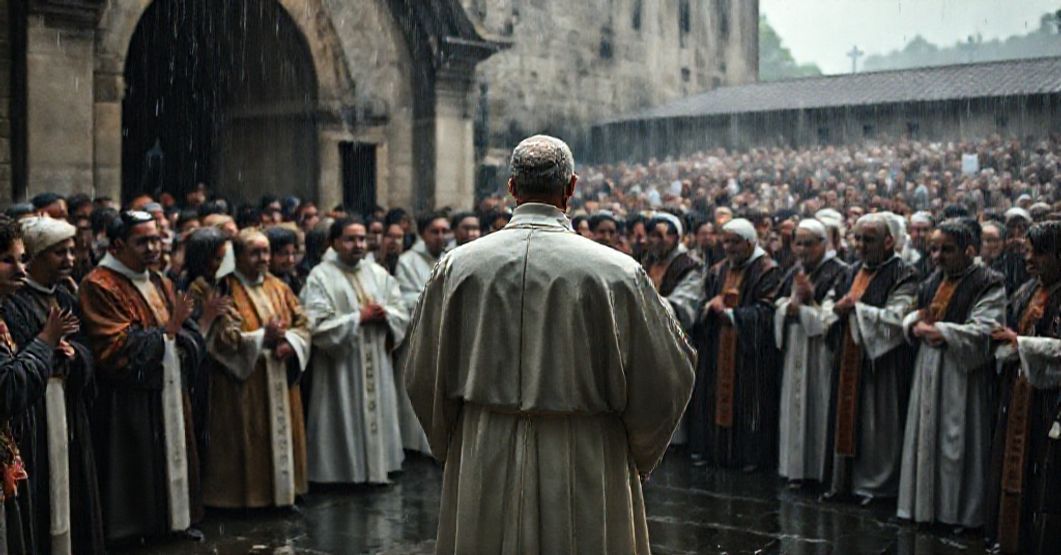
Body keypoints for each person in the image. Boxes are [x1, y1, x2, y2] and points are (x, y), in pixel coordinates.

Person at [403, 135, 694, 554]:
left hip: (486, 444)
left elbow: (423, 369)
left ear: (512, 188)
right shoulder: (616, 272)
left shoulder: (457, 266)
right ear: (571, 187)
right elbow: (665, 375)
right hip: (587, 449)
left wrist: (450, 438)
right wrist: (640, 447)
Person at [79, 211, 205, 543]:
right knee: (137, 463)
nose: (153, 247)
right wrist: (167, 333)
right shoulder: (99, 284)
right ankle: (137, 528)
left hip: (169, 384)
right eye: (142, 241)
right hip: (129, 397)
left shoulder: (158, 279)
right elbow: (114, 347)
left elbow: (187, 331)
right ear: (118, 245)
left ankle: (176, 519)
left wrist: (181, 336)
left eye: (156, 239)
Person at [2, 217, 105, 554]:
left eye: (72, 251)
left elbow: (89, 350)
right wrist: (47, 344)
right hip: (34, 416)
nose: (70, 260)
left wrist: (73, 357)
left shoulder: (63, 296)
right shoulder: (15, 302)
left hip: (66, 411)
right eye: (59, 252)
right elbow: (12, 378)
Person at [897, 219, 1005, 530]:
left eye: (947, 250)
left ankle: (958, 514)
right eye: (933, 249)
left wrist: (941, 331)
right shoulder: (934, 280)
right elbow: (918, 311)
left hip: (961, 375)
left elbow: (987, 327)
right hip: (929, 369)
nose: (937, 256)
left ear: (969, 250)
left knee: (958, 443)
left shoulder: (988, 281)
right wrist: (914, 324)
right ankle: (925, 509)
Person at [202, 229, 310, 508]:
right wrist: (263, 337)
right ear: (237, 257)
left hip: (280, 373)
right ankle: (249, 500)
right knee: (249, 440)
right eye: (255, 252)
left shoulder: (279, 286)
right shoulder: (223, 287)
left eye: (265, 252)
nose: (263, 258)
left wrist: (291, 343)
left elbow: (303, 322)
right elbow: (222, 339)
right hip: (245, 384)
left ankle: (284, 494)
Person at [301, 217, 409, 484]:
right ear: (334, 242)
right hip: (341, 366)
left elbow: (401, 311)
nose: (358, 245)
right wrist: (357, 318)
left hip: (375, 358)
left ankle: (377, 468)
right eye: (350, 239)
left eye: (361, 239)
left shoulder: (378, 273)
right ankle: (341, 473)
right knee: (341, 417)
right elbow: (315, 324)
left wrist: (386, 315)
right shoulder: (320, 276)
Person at [827, 213, 918, 504]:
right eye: (858, 239)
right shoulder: (851, 270)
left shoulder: (904, 273)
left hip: (882, 363)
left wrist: (857, 310)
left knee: (877, 425)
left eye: (869, 240)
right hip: (848, 357)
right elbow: (831, 301)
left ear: (889, 241)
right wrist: (837, 307)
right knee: (848, 419)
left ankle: (878, 487)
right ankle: (846, 482)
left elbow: (897, 317)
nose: (861, 246)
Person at [985, 221, 1061, 554]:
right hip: (1019, 392)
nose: (1028, 259)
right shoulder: (1027, 290)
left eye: (1037, 253)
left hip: (1050, 399)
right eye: (1027, 251)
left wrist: (1022, 343)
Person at [691, 217, 781, 471]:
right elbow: (701, 304)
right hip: (718, 349)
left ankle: (748, 457)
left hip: (749, 355)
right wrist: (711, 308)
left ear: (751, 243)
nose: (729, 248)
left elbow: (768, 311)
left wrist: (732, 315)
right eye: (726, 242)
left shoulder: (767, 270)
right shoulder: (718, 270)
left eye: (735, 243)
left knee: (748, 403)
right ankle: (715, 451)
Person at [773, 219, 848, 486]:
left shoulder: (839, 272)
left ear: (823, 245)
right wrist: (790, 307)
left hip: (820, 353)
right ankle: (794, 468)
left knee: (817, 406)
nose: (803, 250)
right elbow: (779, 302)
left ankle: (816, 471)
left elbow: (831, 315)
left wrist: (806, 305)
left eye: (808, 244)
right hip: (796, 345)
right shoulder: (796, 270)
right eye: (798, 244)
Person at [393, 212, 450, 454]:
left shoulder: (450, 258)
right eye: (434, 232)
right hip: (417, 338)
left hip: (443, 337)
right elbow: (405, 298)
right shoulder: (407, 261)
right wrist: (437, 300)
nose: (440, 237)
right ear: (422, 234)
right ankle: (414, 444)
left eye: (443, 231)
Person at [643, 213, 702, 332]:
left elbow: (683, 307)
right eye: (651, 235)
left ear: (675, 238)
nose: (654, 241)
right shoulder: (647, 262)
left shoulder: (690, 266)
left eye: (660, 236)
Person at [264, 226, 304, 295]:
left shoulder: (293, 281)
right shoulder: (263, 286)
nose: (290, 260)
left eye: (293, 253)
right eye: (283, 254)